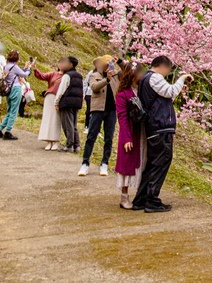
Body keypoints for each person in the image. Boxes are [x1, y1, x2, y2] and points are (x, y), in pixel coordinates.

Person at [130, 56, 192, 213]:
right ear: (164, 67)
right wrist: (182, 78)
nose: (168, 73)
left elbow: (165, 95)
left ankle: (141, 200)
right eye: (169, 70)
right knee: (161, 162)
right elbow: (170, 91)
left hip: (154, 126)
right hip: (159, 126)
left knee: (153, 163)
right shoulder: (155, 77)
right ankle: (152, 200)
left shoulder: (146, 79)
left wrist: (178, 86)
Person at [115, 61, 146, 209]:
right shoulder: (122, 94)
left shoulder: (142, 90)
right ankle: (124, 196)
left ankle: (140, 195)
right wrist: (127, 138)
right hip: (129, 133)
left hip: (142, 133)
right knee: (126, 165)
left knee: (141, 163)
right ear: (132, 74)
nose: (142, 75)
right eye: (140, 72)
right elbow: (122, 117)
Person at [78, 57, 116, 176]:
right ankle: (85, 163)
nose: (108, 66)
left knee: (108, 138)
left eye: (110, 64)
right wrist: (107, 79)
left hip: (112, 111)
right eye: (106, 64)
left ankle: (104, 163)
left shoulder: (115, 76)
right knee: (91, 136)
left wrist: (118, 61)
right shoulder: (94, 75)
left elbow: (125, 72)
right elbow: (94, 87)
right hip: (98, 109)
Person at [0, 50, 33, 140]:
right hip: (16, 89)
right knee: (14, 112)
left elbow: (16, 73)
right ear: (17, 58)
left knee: (10, 111)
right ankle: (8, 132)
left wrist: (25, 68)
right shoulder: (15, 66)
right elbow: (23, 74)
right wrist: (28, 69)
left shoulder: (6, 66)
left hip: (8, 90)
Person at [54, 56, 84, 153]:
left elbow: (61, 90)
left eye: (65, 62)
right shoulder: (79, 76)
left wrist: (56, 102)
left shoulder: (67, 76)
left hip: (66, 102)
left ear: (70, 64)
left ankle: (69, 145)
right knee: (73, 124)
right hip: (76, 103)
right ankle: (77, 145)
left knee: (68, 124)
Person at [33, 61, 64, 151]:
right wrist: (35, 68)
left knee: (56, 119)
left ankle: (55, 141)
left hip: (59, 99)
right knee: (48, 119)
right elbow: (41, 76)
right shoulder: (53, 74)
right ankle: (48, 141)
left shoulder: (66, 76)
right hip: (49, 97)